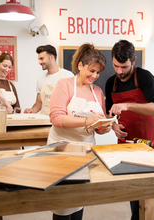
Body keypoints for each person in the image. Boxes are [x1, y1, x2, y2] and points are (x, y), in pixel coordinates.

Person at [48, 43, 112, 220]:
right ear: (80, 65)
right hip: (61, 150)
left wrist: (104, 127)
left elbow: (97, 126)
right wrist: (86, 121)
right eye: (91, 70)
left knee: (78, 200)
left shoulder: (97, 91)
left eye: (98, 72)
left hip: (85, 151)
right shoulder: (64, 85)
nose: (95, 76)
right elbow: (56, 119)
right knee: (62, 204)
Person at [105, 40, 154, 220]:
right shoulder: (111, 83)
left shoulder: (145, 77)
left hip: (148, 139)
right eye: (116, 66)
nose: (119, 71)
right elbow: (109, 114)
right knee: (131, 184)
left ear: (134, 60)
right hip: (125, 141)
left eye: (124, 67)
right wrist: (114, 126)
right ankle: (136, 216)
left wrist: (128, 106)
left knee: (148, 186)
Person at [24, 45, 73, 115]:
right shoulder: (41, 80)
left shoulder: (67, 76)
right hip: (44, 120)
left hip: (61, 120)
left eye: (42, 59)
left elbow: (73, 102)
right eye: (39, 59)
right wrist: (31, 110)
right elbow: (38, 103)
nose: (39, 62)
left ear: (51, 57)